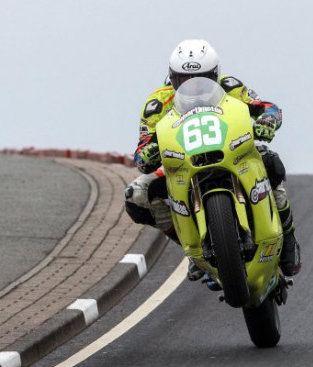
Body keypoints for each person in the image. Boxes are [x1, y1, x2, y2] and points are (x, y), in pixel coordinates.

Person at [124, 39, 302, 282]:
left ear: (215, 74)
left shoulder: (230, 86)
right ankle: (193, 252)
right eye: (182, 80)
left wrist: (267, 120)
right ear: (171, 77)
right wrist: (147, 153)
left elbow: (266, 106)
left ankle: (289, 239)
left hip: (232, 150)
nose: (192, 86)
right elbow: (142, 146)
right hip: (182, 162)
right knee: (136, 196)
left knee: (271, 163)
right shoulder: (157, 103)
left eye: (202, 78)